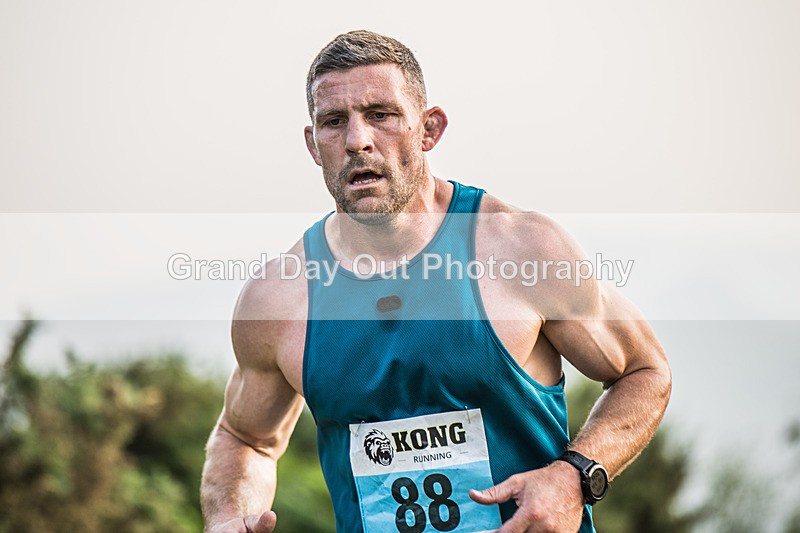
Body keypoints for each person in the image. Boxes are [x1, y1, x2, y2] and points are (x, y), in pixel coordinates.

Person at [201, 30, 671, 533]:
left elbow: (645, 372)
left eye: (380, 115)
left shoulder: (522, 249)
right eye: (334, 122)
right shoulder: (280, 298)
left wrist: (574, 477)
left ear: (429, 130)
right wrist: (230, 515)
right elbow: (245, 437)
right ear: (314, 144)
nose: (358, 140)